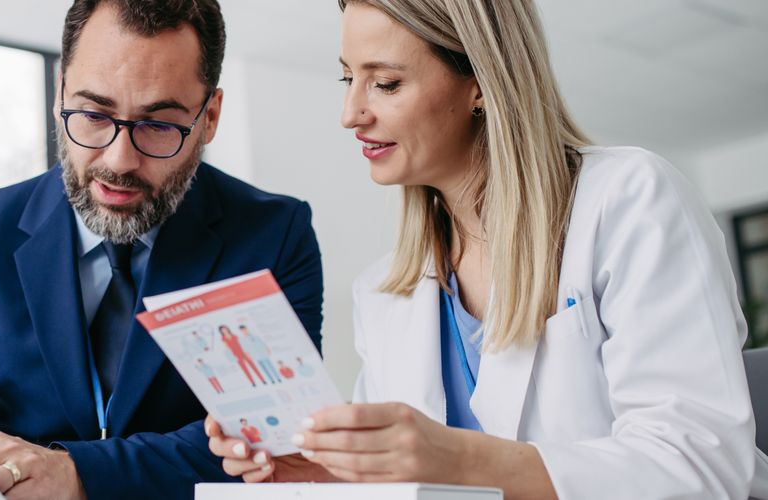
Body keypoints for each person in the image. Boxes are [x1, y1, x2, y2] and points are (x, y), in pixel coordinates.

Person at [207, 0, 768, 499]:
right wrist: (334, 475)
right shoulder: (385, 293)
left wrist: (460, 459)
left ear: (478, 81)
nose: (351, 113)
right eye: (348, 79)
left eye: (385, 83)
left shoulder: (627, 200)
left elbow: (704, 466)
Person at [0, 1, 324, 499]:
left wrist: (78, 474)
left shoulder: (273, 235)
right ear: (60, 92)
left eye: (159, 124)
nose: (119, 160)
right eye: (94, 114)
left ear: (209, 117)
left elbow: (271, 445)